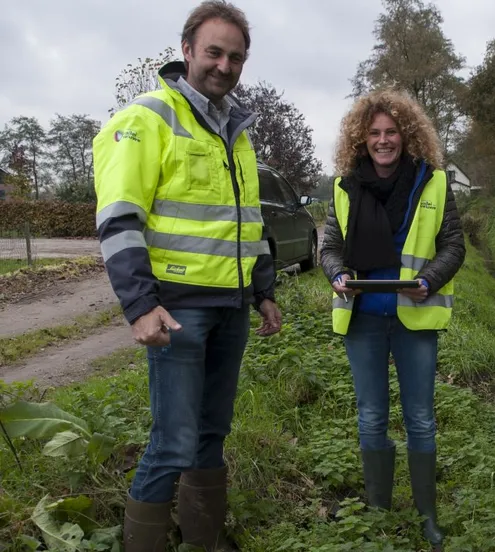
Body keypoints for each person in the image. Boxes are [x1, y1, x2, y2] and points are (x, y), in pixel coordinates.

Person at [93, 2, 281, 550]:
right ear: (187, 51)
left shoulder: (236, 131)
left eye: (235, 57)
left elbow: (248, 221)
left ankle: (203, 541)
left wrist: (263, 292)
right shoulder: (146, 119)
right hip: (177, 311)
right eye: (214, 52)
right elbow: (119, 220)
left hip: (231, 308)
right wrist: (139, 305)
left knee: (212, 434)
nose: (224, 65)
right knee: (172, 442)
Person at [319, 88, 466, 550]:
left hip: (415, 318)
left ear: (407, 135)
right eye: (374, 133)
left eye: (391, 132)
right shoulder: (344, 187)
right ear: (361, 139)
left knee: (420, 418)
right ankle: (379, 513)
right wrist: (337, 274)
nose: (383, 140)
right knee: (371, 416)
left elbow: (453, 245)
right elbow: (329, 247)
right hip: (362, 319)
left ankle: (427, 517)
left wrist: (429, 280)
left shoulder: (433, 182)